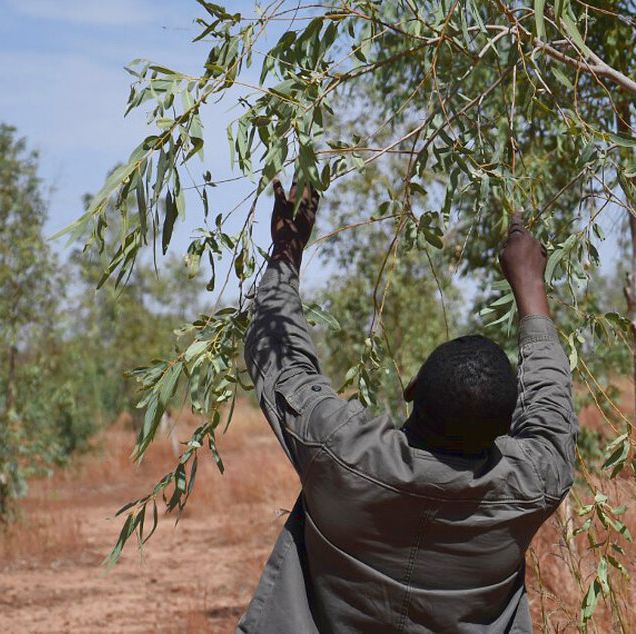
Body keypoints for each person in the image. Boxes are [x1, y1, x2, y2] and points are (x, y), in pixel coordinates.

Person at [239, 179, 577, 633]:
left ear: (412, 388)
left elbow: (280, 360)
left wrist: (287, 248)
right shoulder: (530, 484)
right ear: (506, 426)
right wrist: (532, 290)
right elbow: (550, 408)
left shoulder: (341, 451)